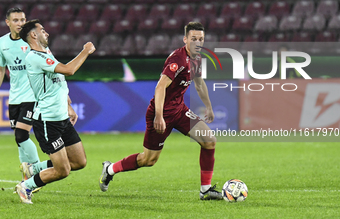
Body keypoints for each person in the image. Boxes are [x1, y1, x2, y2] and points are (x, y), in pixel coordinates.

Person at [99, 22, 222, 200]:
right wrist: (158, 115)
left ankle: (205, 190)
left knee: (209, 141)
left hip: (179, 111)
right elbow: (160, 87)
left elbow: (199, 83)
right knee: (148, 160)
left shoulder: (197, 58)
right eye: (193, 38)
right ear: (185, 39)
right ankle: (110, 169)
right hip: (161, 113)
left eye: (201, 39)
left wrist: (208, 106)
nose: (198, 42)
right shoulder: (177, 60)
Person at [14, 19, 96, 204]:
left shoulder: (46, 53)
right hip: (47, 121)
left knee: (79, 162)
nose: (47, 33)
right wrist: (85, 51)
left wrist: (68, 105)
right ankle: (26, 186)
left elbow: (59, 81)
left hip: (62, 119)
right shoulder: (35, 57)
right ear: (33, 35)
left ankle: (34, 169)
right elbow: (69, 70)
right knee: (63, 170)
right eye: (42, 30)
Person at [0, 8, 52, 184]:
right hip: (15, 97)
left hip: (33, 94)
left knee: (21, 134)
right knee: (20, 138)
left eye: (22, 20)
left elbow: (50, 61)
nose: (20, 23)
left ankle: (35, 172)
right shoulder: (2, 43)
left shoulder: (32, 40)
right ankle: (26, 173)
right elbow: (1, 69)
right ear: (8, 23)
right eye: (16, 20)